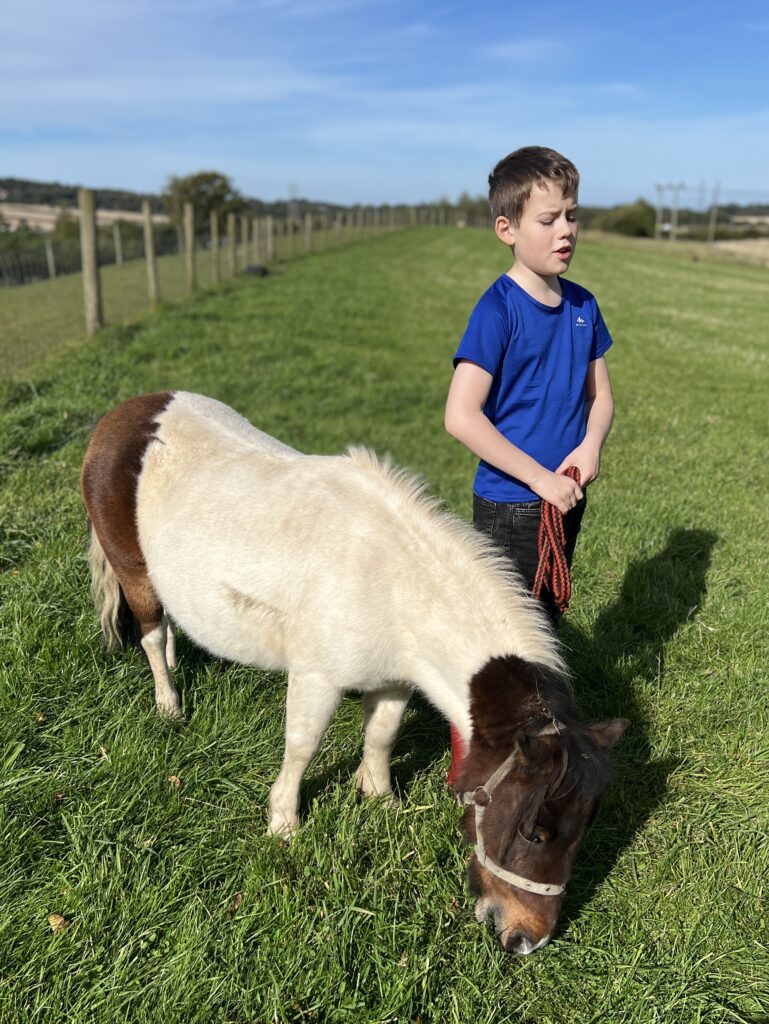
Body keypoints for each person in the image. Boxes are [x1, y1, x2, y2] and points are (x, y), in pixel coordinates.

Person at [444, 145, 615, 780]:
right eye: (548, 219)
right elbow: (461, 416)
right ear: (507, 229)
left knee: (541, 625)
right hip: (511, 507)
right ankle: (477, 756)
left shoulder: (583, 307)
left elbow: (602, 399)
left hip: (563, 501)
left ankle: (532, 745)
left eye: (572, 214)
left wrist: (587, 447)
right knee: (499, 638)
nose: (566, 230)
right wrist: (539, 476)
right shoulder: (498, 311)